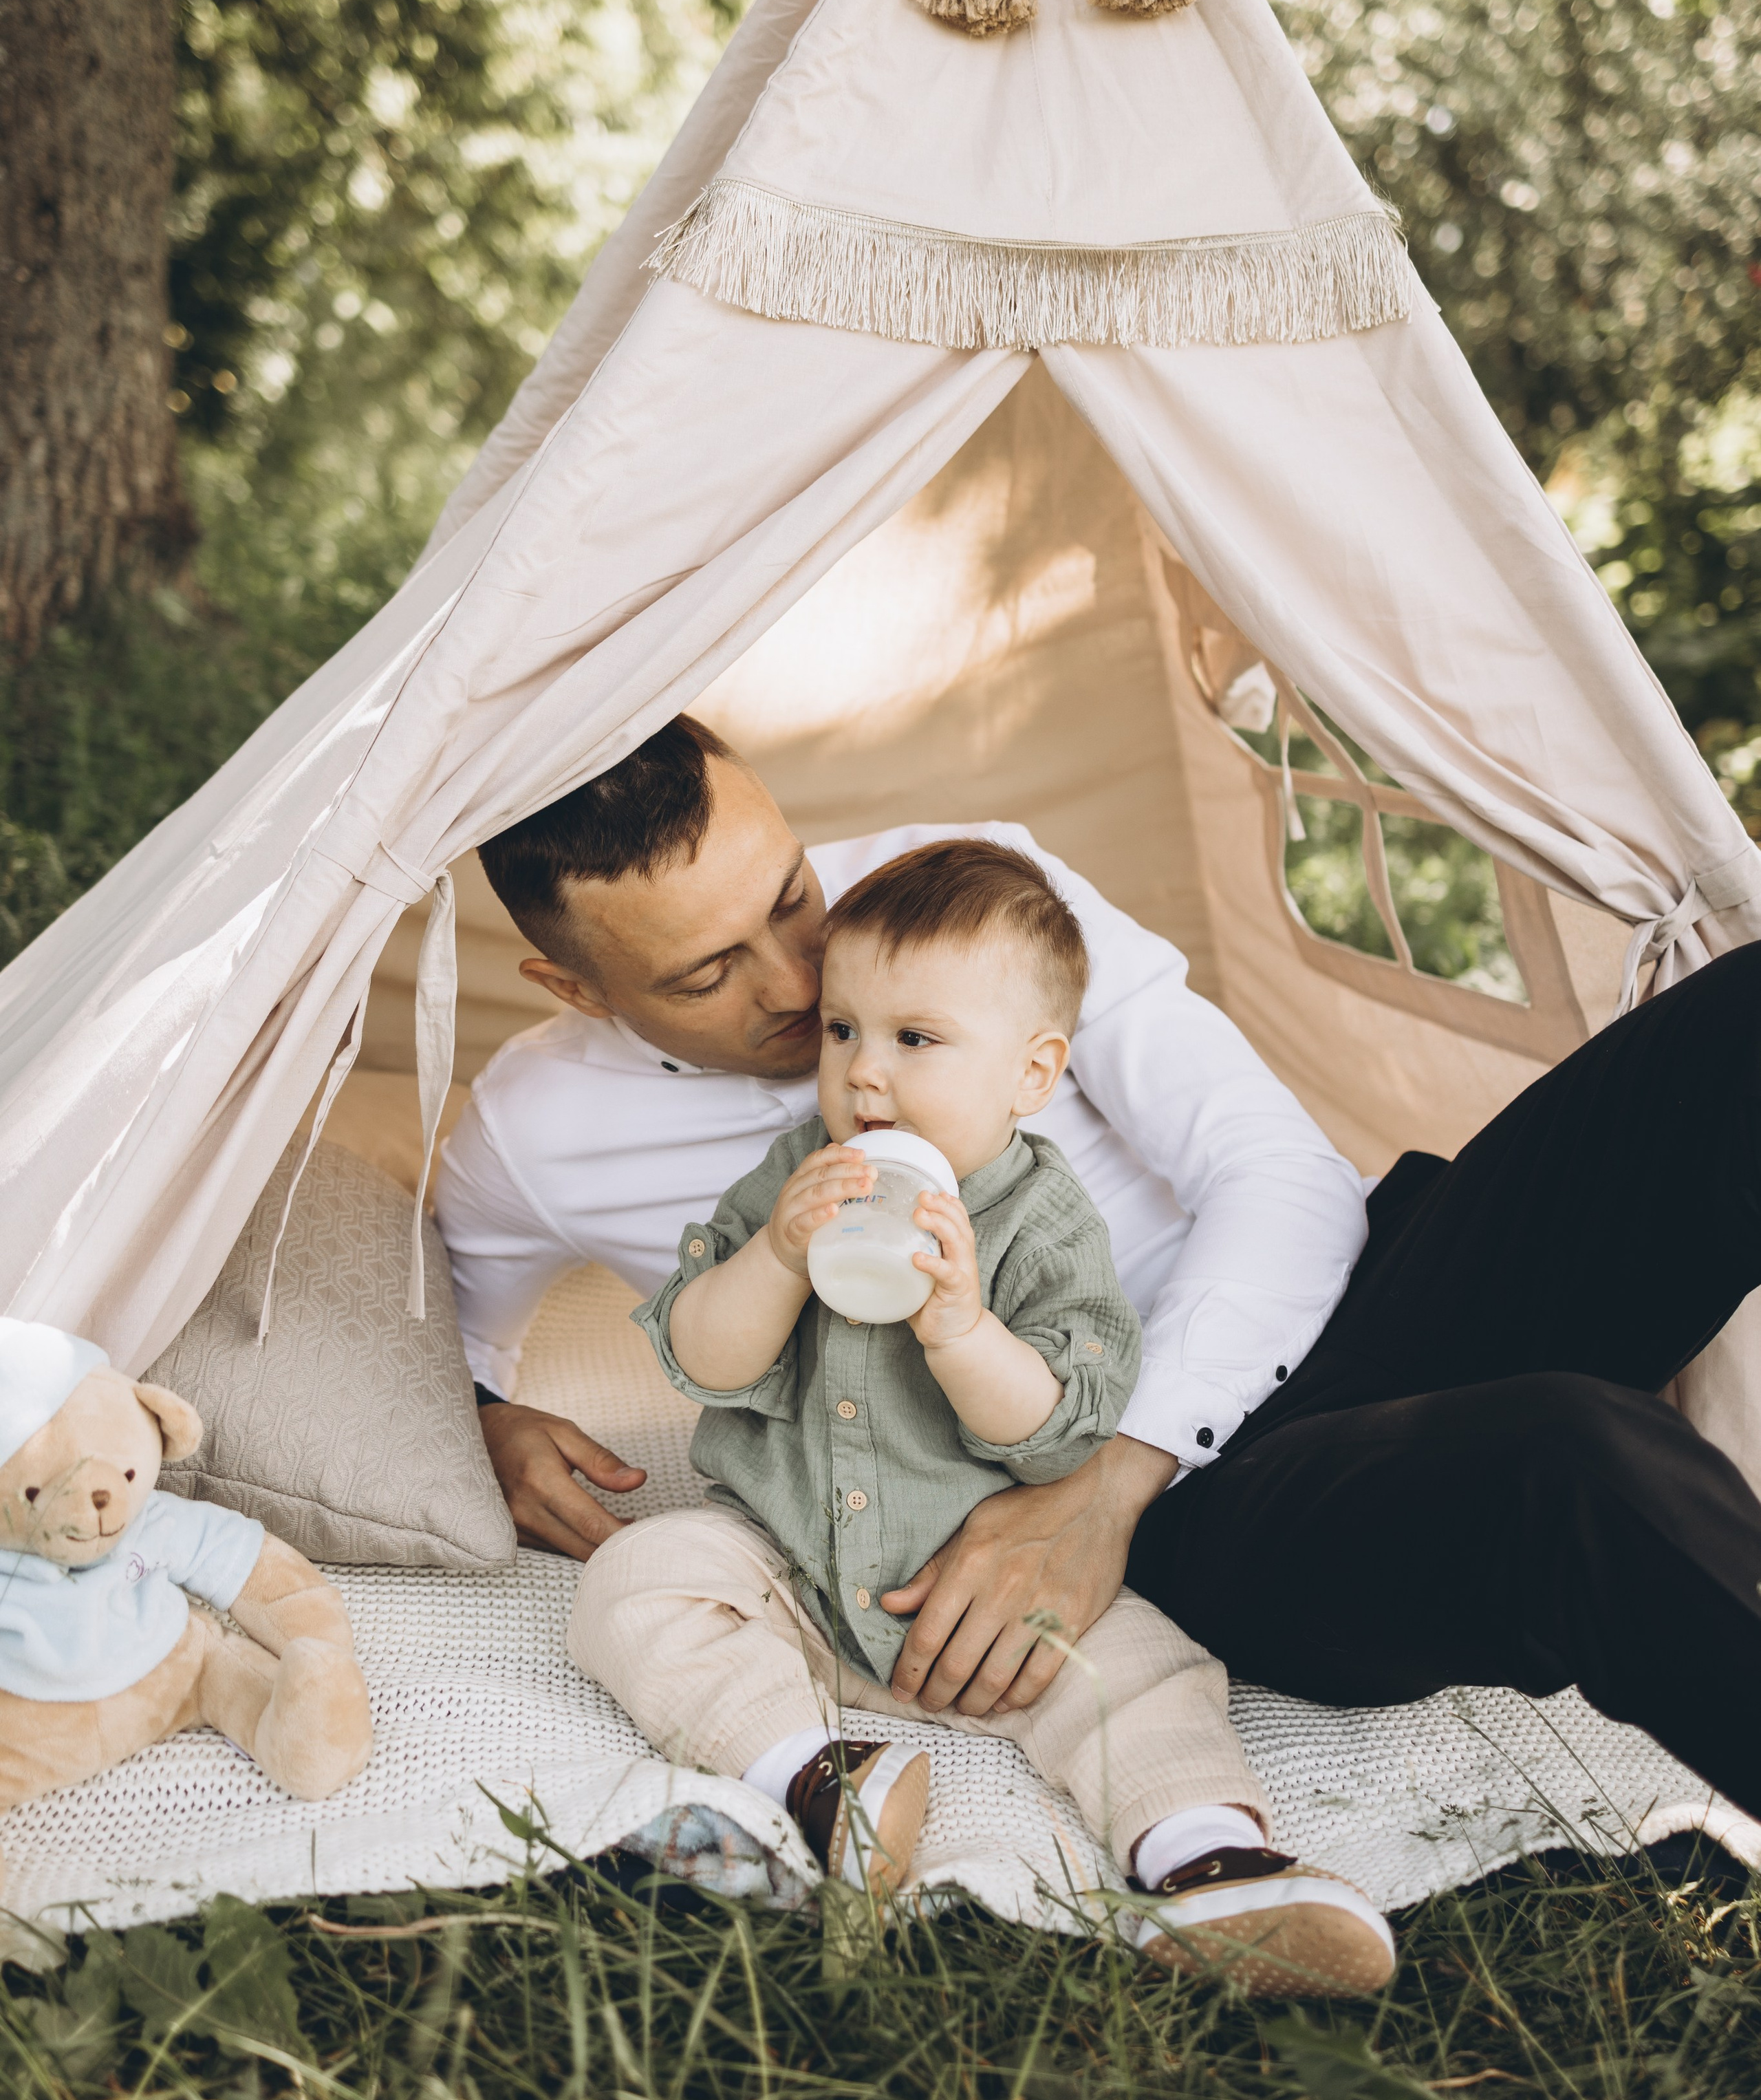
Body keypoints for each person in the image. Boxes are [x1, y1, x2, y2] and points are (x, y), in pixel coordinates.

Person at [437, 712, 1761, 1823]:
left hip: (1361, 1306)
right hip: (1238, 1516)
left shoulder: (974, 889)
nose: (797, 978)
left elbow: (1278, 1174)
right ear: (576, 989)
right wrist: (486, 1424)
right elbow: (441, 1339)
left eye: (791, 896)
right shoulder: (534, 1132)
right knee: (1573, 1459)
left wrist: (1114, 1475)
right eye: (708, 973)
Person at [565, 838, 1395, 1993]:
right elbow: (703, 1359)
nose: (864, 1077)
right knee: (638, 1577)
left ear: (1032, 1074)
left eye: (917, 1041)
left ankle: (1208, 1860)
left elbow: (1058, 1432)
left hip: (985, 1595)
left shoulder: (1046, 1224)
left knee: (1143, 1673)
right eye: (843, 1030)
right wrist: (777, 1253)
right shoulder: (793, 1180)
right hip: (793, 1564)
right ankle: (820, 1778)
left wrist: (962, 1327)